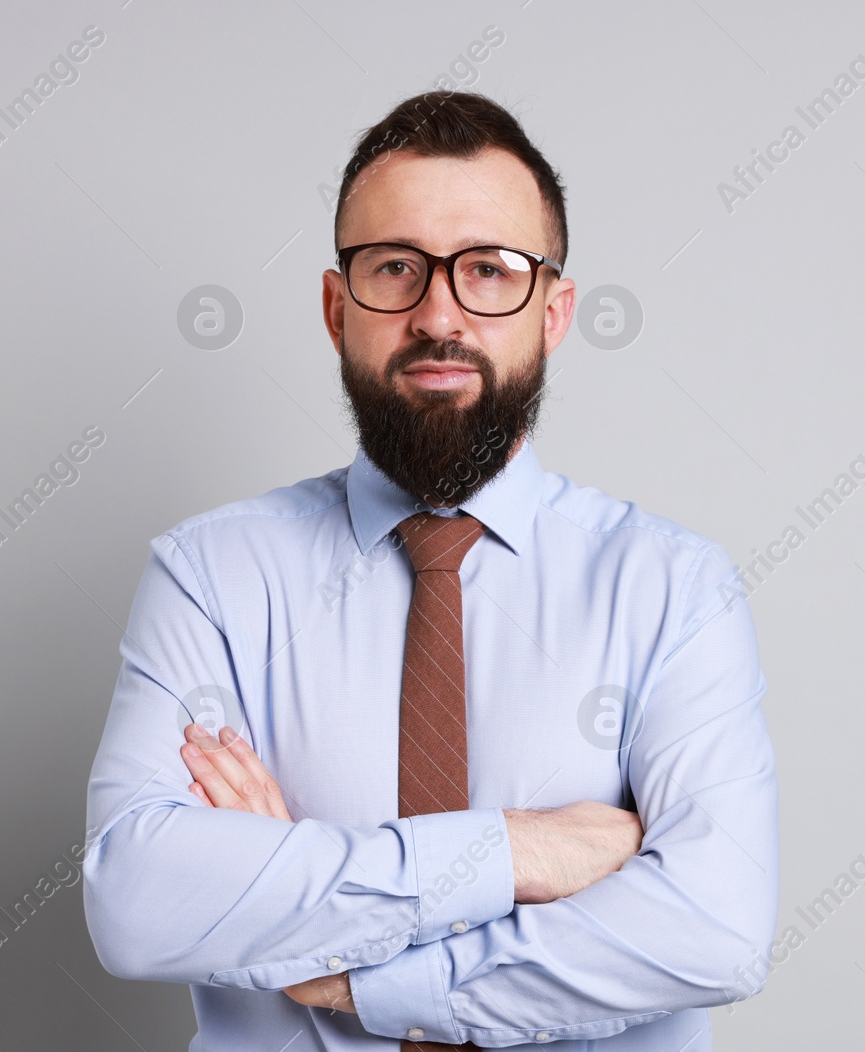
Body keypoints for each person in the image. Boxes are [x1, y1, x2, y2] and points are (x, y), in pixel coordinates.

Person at [83, 90, 778, 1051]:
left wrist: (349, 966)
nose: (439, 313)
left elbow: (715, 931)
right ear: (337, 307)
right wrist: (520, 850)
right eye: (396, 268)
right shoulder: (211, 575)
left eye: (490, 270)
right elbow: (137, 901)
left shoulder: (673, 589)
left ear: (554, 310)